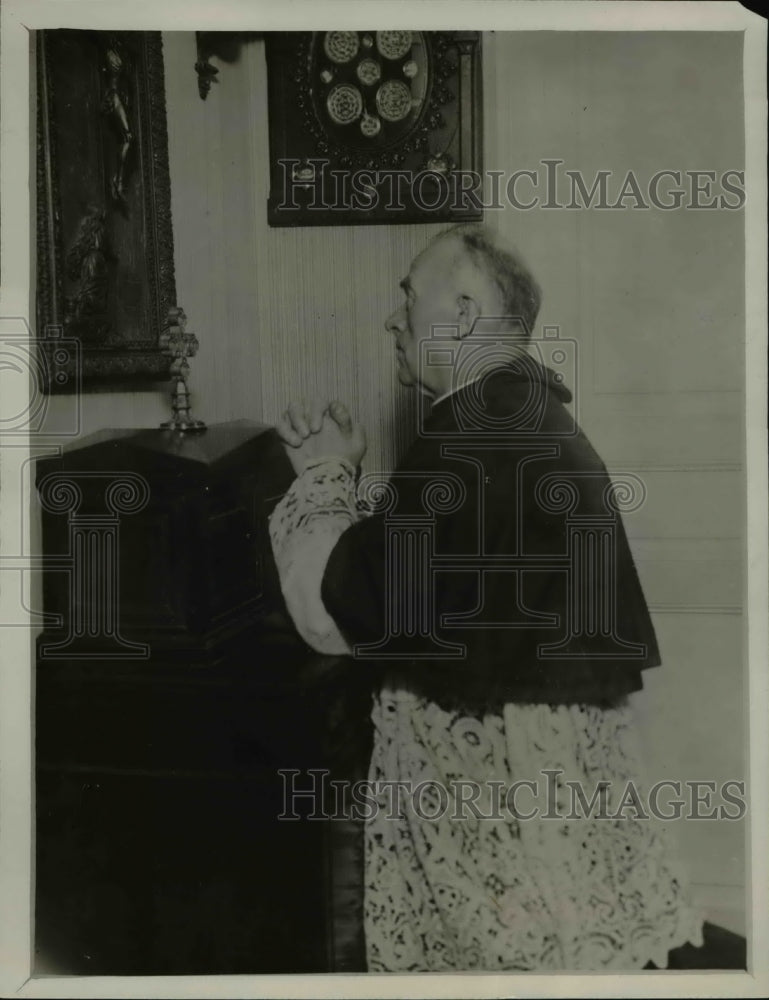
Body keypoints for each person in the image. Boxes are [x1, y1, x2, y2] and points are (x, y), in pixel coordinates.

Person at [269, 223, 704, 972]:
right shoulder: (520, 416)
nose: (392, 318)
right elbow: (447, 569)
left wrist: (322, 476)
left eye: (408, 296)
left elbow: (330, 612)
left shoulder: (471, 438)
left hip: (491, 805)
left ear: (464, 315)